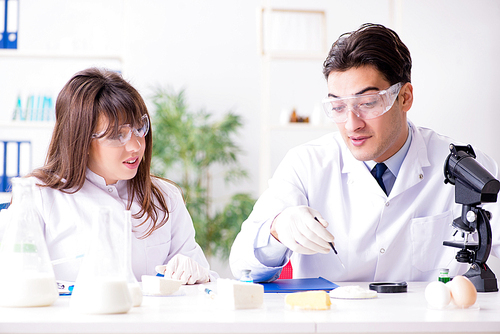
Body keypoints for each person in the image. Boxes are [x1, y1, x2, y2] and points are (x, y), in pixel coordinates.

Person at [229, 23, 500, 283]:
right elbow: (243, 266)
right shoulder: (307, 164)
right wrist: (277, 229)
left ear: (404, 97)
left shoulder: (463, 166)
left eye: (368, 103)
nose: (352, 124)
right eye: (337, 107)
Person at [1, 67, 216, 284]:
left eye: (139, 128)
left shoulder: (165, 197)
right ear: (81, 141)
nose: (135, 146)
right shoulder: (39, 195)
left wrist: (199, 274)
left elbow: (201, 282)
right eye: (116, 135)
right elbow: (12, 281)